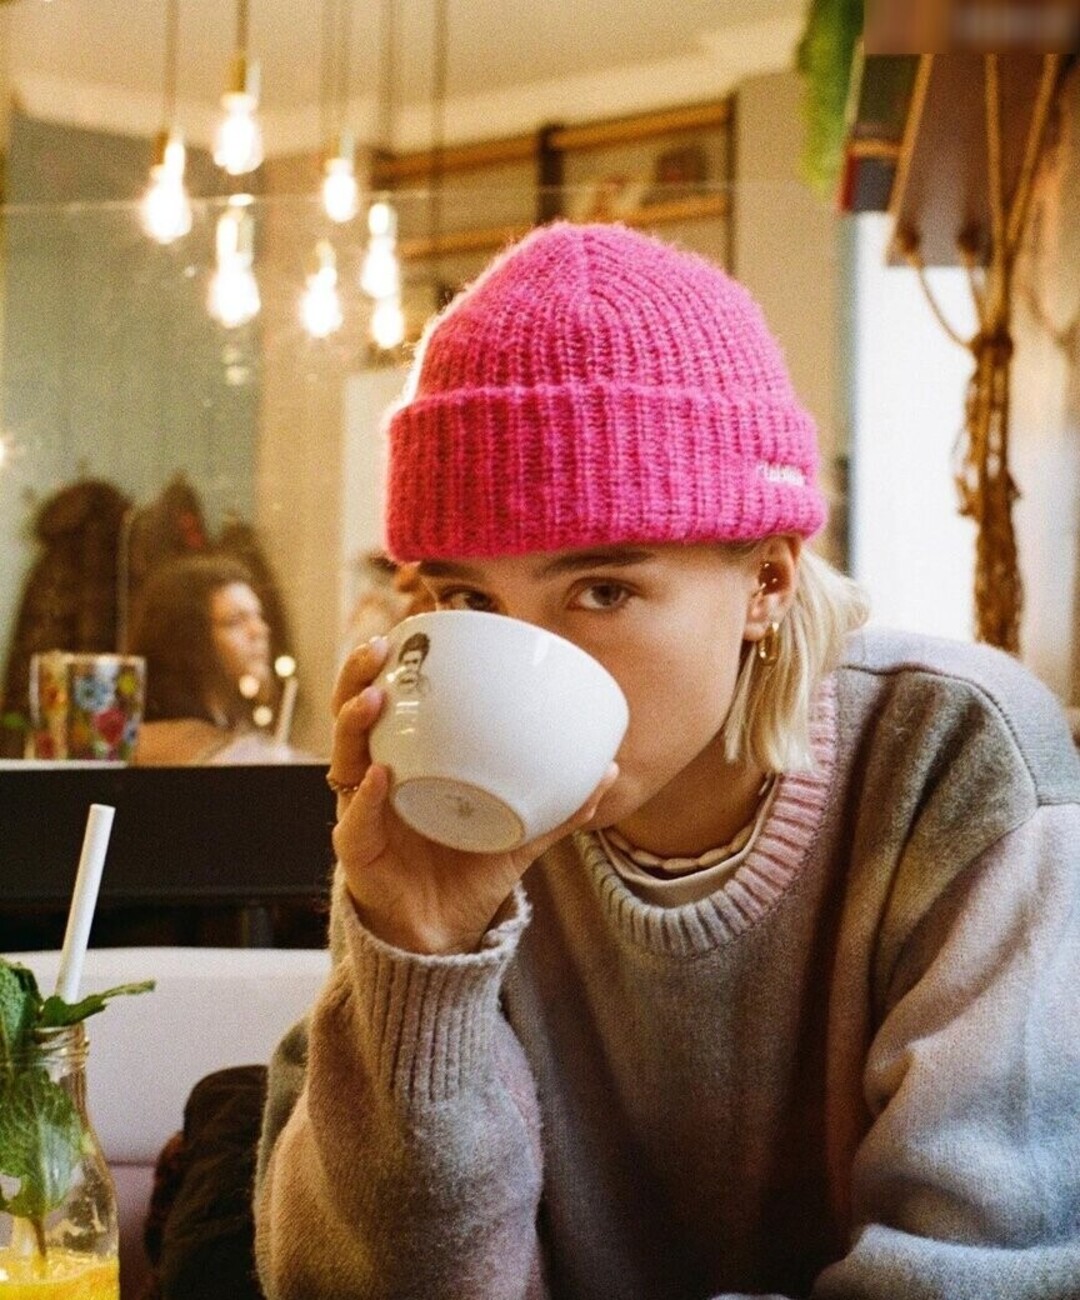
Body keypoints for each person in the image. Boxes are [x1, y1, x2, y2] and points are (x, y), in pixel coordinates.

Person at [253, 222, 1080, 1299]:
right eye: (470, 600)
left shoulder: (953, 761)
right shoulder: (448, 798)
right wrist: (418, 957)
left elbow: (977, 1272)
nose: (526, 666)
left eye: (601, 590)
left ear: (769, 581)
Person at [129, 553, 287, 764]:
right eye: (235, 621)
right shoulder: (160, 742)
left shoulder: (231, 725)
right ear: (188, 637)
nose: (259, 630)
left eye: (258, 616)